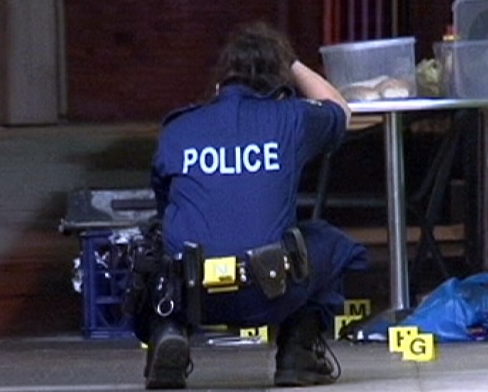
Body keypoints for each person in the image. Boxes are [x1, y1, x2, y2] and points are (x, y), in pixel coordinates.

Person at [132, 21, 369, 389]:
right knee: (331, 243)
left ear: (219, 83)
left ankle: (167, 332)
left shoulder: (179, 128)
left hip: (192, 296)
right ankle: (297, 354)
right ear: (280, 86)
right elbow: (340, 109)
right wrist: (289, 62)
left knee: (157, 246)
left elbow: (165, 208)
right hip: (271, 289)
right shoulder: (292, 118)